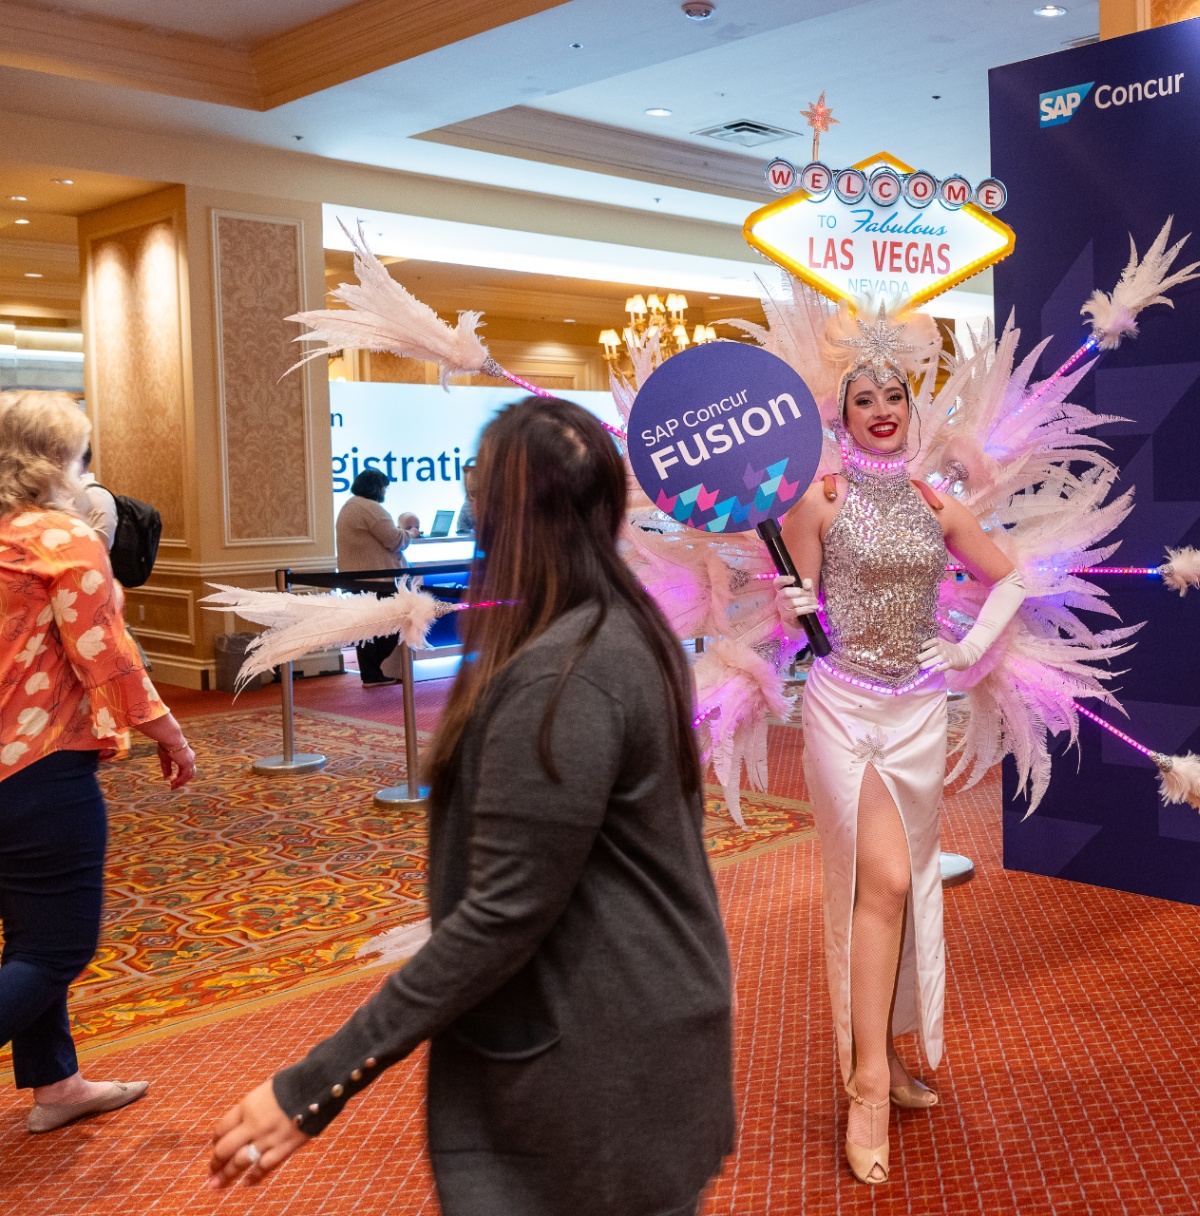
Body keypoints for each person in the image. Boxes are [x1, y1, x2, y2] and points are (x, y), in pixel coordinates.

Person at [206, 396, 735, 1215]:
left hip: (598, 1060)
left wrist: (313, 1085)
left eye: (476, 485)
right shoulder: (615, 626)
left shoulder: (567, 673)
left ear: (500, 510)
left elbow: (500, 917)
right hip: (638, 1023)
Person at [778, 357, 1026, 1185]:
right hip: (842, 707)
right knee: (879, 881)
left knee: (902, 886)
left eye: (894, 397)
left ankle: (883, 1053)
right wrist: (792, 607)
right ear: (841, 416)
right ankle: (869, 1086)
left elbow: (1010, 577)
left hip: (918, 712)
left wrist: (966, 647)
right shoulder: (818, 500)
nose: (881, 409)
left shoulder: (933, 502)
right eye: (864, 399)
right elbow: (794, 609)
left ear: (910, 412)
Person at [0, 390, 195, 1134]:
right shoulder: (61, 538)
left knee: (28, 934)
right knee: (57, 946)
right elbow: (105, 655)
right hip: (38, 762)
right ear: (58, 458)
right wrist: (170, 733)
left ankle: (59, 1084)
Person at [335, 468, 418, 686]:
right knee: (394, 623)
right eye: (384, 487)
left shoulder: (350, 506)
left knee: (368, 629)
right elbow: (394, 540)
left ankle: (371, 674)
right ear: (376, 488)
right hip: (378, 579)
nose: (385, 491)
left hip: (357, 578)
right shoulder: (371, 508)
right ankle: (372, 672)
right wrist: (409, 534)